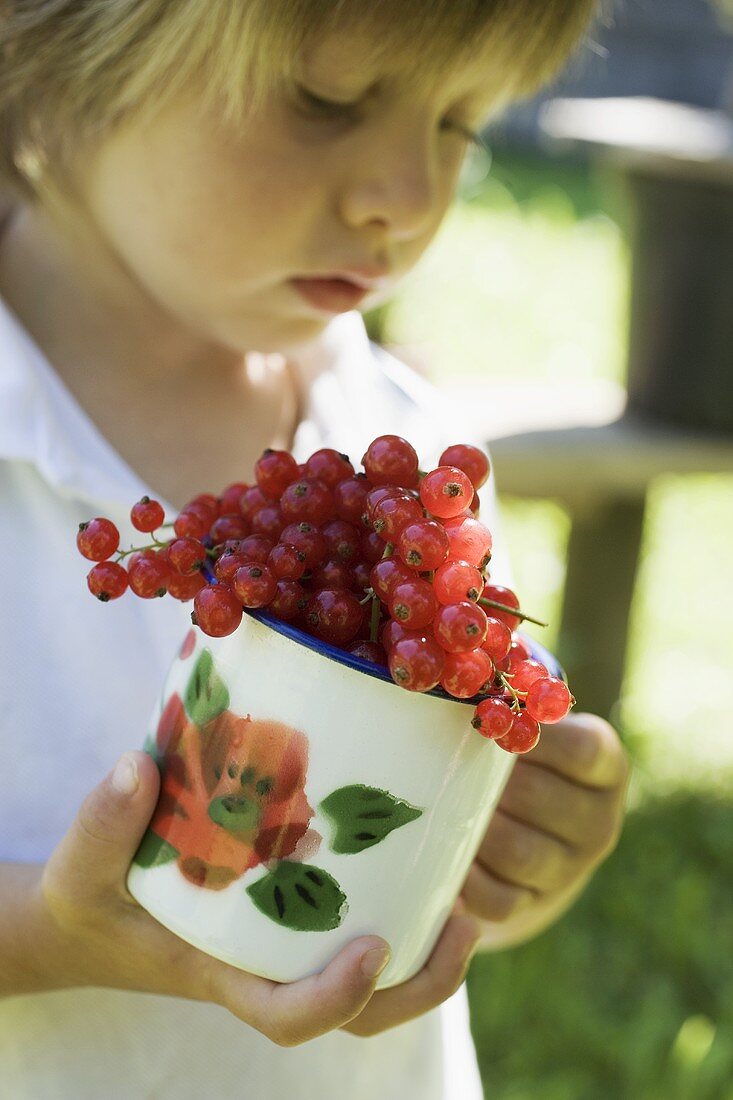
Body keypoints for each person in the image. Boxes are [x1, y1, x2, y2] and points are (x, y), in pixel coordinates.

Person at [0, 2, 629, 1097]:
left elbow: (426, 860)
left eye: (460, 124)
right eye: (323, 101)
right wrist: (52, 936)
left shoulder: (414, 469)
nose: (410, 196)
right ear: (64, 40)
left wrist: (521, 859)